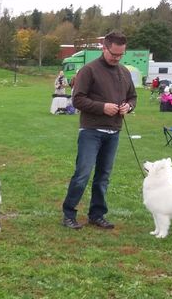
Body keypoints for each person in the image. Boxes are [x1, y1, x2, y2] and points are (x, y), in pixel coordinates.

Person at [61, 32, 137, 230]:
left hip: (114, 132)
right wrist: (102, 107)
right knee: (83, 174)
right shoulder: (89, 70)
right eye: (114, 54)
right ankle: (69, 214)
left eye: (121, 55)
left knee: (103, 176)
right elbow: (77, 99)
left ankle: (97, 214)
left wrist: (129, 106)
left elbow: (133, 97)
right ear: (104, 48)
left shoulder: (124, 72)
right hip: (91, 131)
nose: (117, 58)